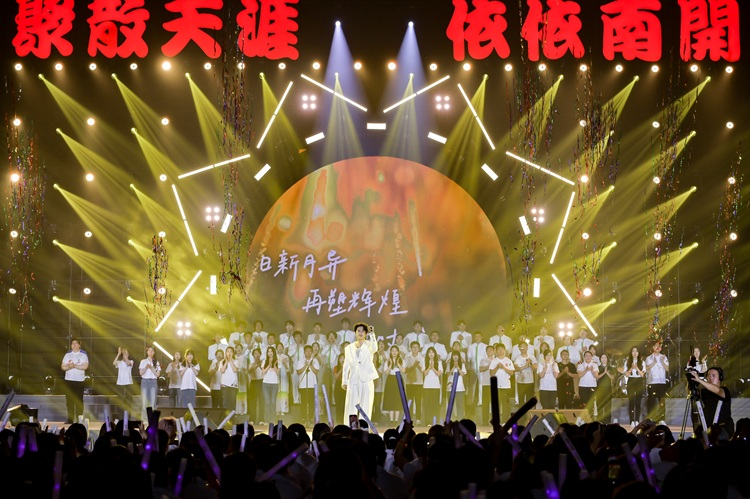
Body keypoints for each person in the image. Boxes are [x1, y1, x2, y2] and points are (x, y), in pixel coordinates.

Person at [342, 322, 379, 425]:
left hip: (366, 379)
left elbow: (375, 348)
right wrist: (344, 381)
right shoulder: (349, 348)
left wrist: (372, 334)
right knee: (351, 406)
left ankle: (364, 428)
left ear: (366, 333)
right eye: (358, 331)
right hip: (353, 380)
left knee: (366, 405)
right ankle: (350, 428)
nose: (360, 333)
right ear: (355, 333)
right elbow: (346, 365)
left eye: (363, 331)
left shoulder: (369, 345)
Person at [690, 366, 734, 437]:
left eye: (713, 375)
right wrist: (691, 381)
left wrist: (699, 380)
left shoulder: (724, 390)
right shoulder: (704, 392)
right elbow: (691, 392)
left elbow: (717, 390)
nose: (710, 377)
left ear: (720, 378)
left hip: (723, 428)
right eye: (708, 375)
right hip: (708, 427)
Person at [61, 338, 89, 424]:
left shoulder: (83, 354)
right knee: (69, 400)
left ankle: (79, 419)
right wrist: (69, 367)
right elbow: (63, 366)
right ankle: (70, 418)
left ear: (79, 345)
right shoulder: (68, 354)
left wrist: (74, 366)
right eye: (72, 343)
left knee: (79, 400)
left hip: (79, 380)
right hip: (69, 380)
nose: (74, 345)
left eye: (76, 343)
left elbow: (85, 366)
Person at [619, 346, 645, 428]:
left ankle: (637, 420)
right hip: (631, 380)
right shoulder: (627, 361)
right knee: (631, 402)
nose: (635, 353)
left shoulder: (642, 362)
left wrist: (636, 368)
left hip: (639, 381)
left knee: (638, 402)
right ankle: (631, 421)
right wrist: (631, 368)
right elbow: (626, 374)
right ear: (631, 353)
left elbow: (642, 374)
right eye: (633, 351)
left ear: (638, 353)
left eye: (636, 351)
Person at [645, 341, 669, 424]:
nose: (657, 347)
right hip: (652, 382)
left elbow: (667, 369)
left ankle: (662, 419)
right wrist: (654, 362)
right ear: (652, 348)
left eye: (659, 345)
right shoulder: (649, 358)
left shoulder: (664, 357)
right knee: (651, 402)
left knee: (662, 401)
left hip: (661, 382)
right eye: (655, 345)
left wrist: (662, 361)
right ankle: (650, 419)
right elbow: (646, 369)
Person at [297, 345, 319, 424]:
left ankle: (310, 418)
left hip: (312, 385)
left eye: (310, 351)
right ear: (304, 352)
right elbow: (298, 372)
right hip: (303, 385)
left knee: (311, 402)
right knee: (303, 402)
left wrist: (311, 365)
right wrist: (305, 365)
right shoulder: (301, 361)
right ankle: (303, 418)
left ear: (312, 352)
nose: (308, 353)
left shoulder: (315, 361)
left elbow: (316, 372)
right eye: (307, 351)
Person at [421, 347, 443, 426]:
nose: (431, 354)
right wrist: (429, 367)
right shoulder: (424, 362)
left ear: (435, 354)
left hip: (436, 386)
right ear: (427, 354)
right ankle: (428, 422)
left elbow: (438, 374)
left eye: (432, 352)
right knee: (427, 404)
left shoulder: (439, 362)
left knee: (435, 404)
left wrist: (433, 368)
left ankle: (435, 422)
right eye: (429, 352)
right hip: (426, 386)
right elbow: (425, 373)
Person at [403, 341, 424, 423]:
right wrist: (413, 366)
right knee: (410, 401)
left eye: (416, 347)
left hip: (419, 383)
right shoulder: (407, 358)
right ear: (411, 348)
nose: (415, 349)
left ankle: (418, 419)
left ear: (419, 349)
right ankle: (410, 419)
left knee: (418, 401)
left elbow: (423, 370)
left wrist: (417, 365)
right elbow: (405, 370)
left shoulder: (422, 358)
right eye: (413, 347)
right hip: (409, 383)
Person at [382, 345, 403, 423]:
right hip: (390, 379)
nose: (394, 352)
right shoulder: (387, 361)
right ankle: (391, 419)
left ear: (398, 352)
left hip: (398, 379)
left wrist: (398, 363)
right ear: (390, 352)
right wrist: (391, 364)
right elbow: (387, 373)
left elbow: (404, 371)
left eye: (396, 351)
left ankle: (396, 419)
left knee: (397, 399)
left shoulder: (401, 360)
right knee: (391, 399)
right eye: (393, 351)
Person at [139, 345, 161, 421]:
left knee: (152, 402)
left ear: (154, 352)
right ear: (147, 352)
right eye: (149, 351)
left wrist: (152, 368)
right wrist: (146, 367)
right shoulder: (143, 361)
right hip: (145, 382)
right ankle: (144, 420)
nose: (150, 352)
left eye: (152, 351)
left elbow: (158, 374)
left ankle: (152, 420)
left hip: (153, 382)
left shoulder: (156, 362)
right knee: (144, 402)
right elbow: (141, 373)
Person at [446, 350, 467, 421]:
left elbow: (463, 374)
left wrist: (458, 367)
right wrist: (453, 367)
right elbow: (447, 374)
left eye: (457, 355)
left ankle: (460, 420)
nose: (455, 357)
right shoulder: (449, 364)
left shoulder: (462, 364)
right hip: (450, 388)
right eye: (454, 355)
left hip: (460, 388)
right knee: (451, 405)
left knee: (460, 405)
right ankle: (451, 420)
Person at [262, 346, 280, 424]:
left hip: (274, 384)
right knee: (267, 402)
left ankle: (273, 420)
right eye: (268, 351)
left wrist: (274, 365)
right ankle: (267, 419)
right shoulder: (264, 361)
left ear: (274, 352)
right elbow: (263, 372)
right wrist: (269, 365)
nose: (270, 353)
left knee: (273, 402)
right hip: (266, 383)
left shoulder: (278, 361)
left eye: (271, 351)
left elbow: (278, 373)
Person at [113, 346, 133, 414]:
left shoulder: (131, 361)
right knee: (120, 401)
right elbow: (114, 363)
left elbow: (128, 364)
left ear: (128, 355)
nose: (125, 354)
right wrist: (119, 354)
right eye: (124, 353)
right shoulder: (119, 362)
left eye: (126, 353)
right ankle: (120, 417)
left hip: (128, 383)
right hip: (120, 383)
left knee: (129, 401)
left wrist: (124, 355)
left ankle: (128, 416)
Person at [595, 352, 615, 423]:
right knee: (600, 406)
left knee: (608, 406)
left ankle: (608, 422)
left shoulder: (611, 368)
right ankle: (600, 422)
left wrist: (607, 372)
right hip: (599, 389)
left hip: (608, 388)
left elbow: (612, 378)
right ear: (600, 359)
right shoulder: (597, 367)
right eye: (602, 358)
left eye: (605, 357)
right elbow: (597, 377)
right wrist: (604, 372)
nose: (603, 359)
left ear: (607, 359)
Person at [220, 346, 239, 413]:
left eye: (231, 351)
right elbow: (222, 371)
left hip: (233, 385)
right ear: (225, 353)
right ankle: (225, 418)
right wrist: (226, 361)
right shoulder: (222, 362)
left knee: (232, 402)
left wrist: (230, 360)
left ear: (233, 353)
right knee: (225, 402)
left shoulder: (236, 361)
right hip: (224, 384)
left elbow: (235, 370)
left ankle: (232, 417)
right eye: (228, 351)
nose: (229, 353)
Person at [247, 347, 263, 423]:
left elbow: (264, 370)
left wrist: (259, 364)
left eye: (258, 353)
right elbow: (249, 371)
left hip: (261, 382)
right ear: (253, 355)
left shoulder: (263, 363)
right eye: (255, 353)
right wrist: (254, 364)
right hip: (253, 382)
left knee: (261, 401)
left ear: (260, 354)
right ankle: (252, 418)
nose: (257, 355)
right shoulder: (251, 364)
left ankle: (261, 419)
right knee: (252, 401)